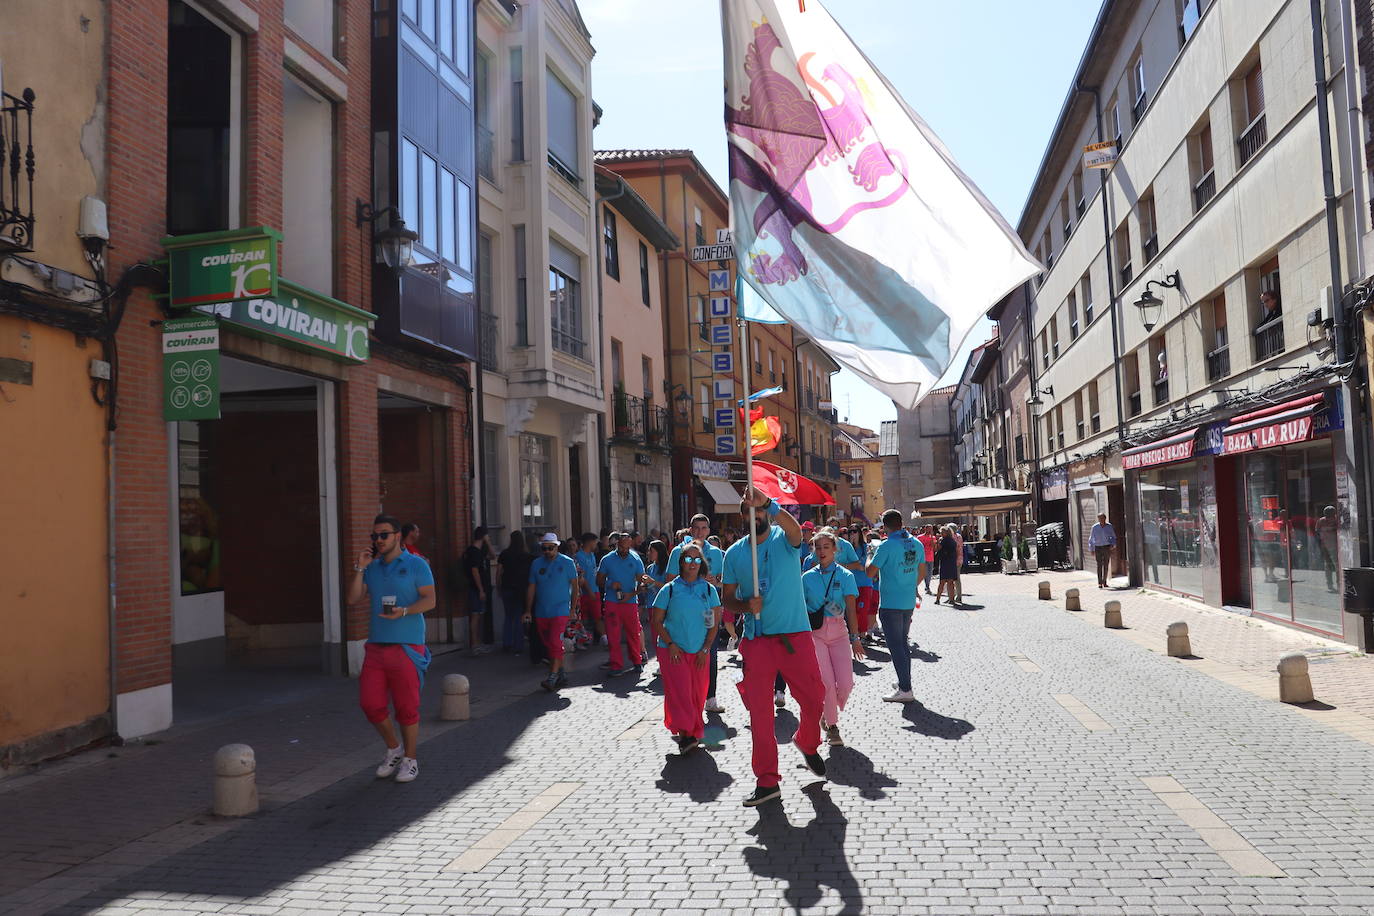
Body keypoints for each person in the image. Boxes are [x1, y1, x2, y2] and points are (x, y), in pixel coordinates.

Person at [722, 487, 828, 807]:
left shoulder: (785, 539)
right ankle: (767, 781)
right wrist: (743, 604)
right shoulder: (735, 554)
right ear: (742, 516)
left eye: (758, 511)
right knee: (761, 715)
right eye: (748, 511)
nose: (754, 516)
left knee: (815, 699)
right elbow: (727, 598)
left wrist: (767, 502)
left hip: (794, 635)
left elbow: (796, 530)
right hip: (757, 641)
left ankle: (807, 742)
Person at [348, 514, 436, 784]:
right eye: (375, 536)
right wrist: (360, 568)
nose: (378, 540)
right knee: (370, 704)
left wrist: (405, 611)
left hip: (407, 647)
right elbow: (352, 600)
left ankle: (410, 760)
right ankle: (394, 749)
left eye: (383, 535)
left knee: (407, 708)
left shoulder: (416, 564)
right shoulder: (372, 568)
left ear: (397, 536)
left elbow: (430, 600)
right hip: (376, 646)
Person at [650, 542, 722, 754]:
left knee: (697, 694)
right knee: (680, 692)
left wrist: (706, 649)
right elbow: (656, 621)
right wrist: (671, 644)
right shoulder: (669, 589)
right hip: (672, 651)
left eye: (697, 559)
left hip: (700, 651)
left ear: (702, 564)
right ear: (681, 562)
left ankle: (691, 731)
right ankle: (687, 734)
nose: (692, 563)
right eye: (688, 559)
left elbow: (713, 623)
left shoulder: (708, 590)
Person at [803, 528, 866, 747]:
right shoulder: (806, 578)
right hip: (816, 634)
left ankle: (827, 712)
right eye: (817, 547)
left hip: (839, 633)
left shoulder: (845, 575)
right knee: (827, 683)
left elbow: (851, 610)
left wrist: (855, 638)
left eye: (826, 547)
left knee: (846, 684)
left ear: (835, 550)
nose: (821, 551)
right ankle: (832, 726)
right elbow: (801, 609)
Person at [666, 514, 728, 713]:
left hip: (708, 610)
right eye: (696, 528)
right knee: (685, 654)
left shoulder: (717, 554)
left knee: (709, 653)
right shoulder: (678, 552)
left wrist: (714, 581)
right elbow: (669, 580)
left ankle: (710, 697)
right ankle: (689, 697)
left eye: (704, 528)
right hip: (683, 612)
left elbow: (723, 582)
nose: (700, 532)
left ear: (709, 531)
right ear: (690, 530)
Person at [866, 510, 923, 704]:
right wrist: (908, 585)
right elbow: (921, 572)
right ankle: (903, 682)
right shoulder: (916, 542)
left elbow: (869, 572)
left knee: (896, 646)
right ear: (901, 523)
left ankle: (906, 689)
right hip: (907, 601)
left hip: (890, 603)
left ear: (885, 526)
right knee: (903, 643)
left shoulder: (886, 545)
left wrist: (869, 554)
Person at [525, 532, 582, 691]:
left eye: (550, 548)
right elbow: (531, 587)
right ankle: (561, 672)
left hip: (560, 609)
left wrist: (572, 608)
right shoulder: (536, 564)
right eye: (544, 548)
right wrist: (527, 610)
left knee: (555, 642)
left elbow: (576, 586)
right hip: (542, 611)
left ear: (557, 547)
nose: (547, 551)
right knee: (549, 644)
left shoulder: (568, 562)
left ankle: (552, 676)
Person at [598, 533, 648, 677]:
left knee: (633, 633)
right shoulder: (607, 560)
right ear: (617, 544)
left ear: (631, 544)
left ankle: (636, 661)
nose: (624, 550)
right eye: (622, 546)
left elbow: (641, 579)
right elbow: (599, 581)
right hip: (612, 602)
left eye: (627, 547)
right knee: (613, 635)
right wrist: (610, 584)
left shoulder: (636, 559)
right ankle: (616, 664)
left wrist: (641, 585)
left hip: (630, 602)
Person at [461, 526, 495, 655]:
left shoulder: (479, 551)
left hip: (479, 588)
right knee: (475, 615)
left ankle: (478, 643)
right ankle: (475, 644)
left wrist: (488, 543)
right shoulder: (474, 552)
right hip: (476, 588)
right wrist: (481, 589)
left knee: (479, 615)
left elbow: (492, 556)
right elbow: (474, 571)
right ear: (483, 536)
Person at [496, 530, 531, 653]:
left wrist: (498, 586)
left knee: (508, 616)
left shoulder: (505, 554)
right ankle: (518, 645)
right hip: (520, 589)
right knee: (518, 617)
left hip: (507, 587)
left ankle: (507, 643)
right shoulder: (525, 555)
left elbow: (499, 572)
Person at [572, 533, 604, 646]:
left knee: (597, 616)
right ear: (589, 542)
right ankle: (584, 638)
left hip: (594, 589)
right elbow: (581, 577)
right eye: (595, 542)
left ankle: (601, 637)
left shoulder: (592, 555)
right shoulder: (579, 557)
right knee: (584, 617)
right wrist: (589, 591)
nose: (596, 544)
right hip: (585, 592)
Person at [1088, 512, 1117, 589]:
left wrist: (1113, 545)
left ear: (1105, 518)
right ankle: (1099, 582)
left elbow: (1113, 536)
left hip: (1106, 547)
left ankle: (1105, 582)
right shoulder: (1095, 527)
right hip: (1098, 547)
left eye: (1102, 518)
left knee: (1106, 565)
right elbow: (1091, 539)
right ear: (1098, 519)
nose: (1101, 520)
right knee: (1099, 565)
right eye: (1100, 518)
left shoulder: (1109, 526)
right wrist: (1091, 549)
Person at [933, 526, 960, 606]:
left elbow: (937, 549)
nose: (941, 533)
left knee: (942, 582)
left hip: (945, 562)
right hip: (951, 562)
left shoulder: (943, 541)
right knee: (950, 582)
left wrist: (937, 542)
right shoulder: (953, 541)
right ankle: (951, 599)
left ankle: (938, 599)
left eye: (942, 532)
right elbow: (957, 551)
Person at [915, 525, 936, 595]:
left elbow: (934, 547)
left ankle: (927, 586)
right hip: (922, 558)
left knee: (929, 573)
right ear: (925, 529)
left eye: (931, 529)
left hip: (931, 557)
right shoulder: (920, 537)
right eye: (928, 529)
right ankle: (926, 586)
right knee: (924, 573)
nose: (930, 530)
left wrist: (932, 537)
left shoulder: (933, 537)